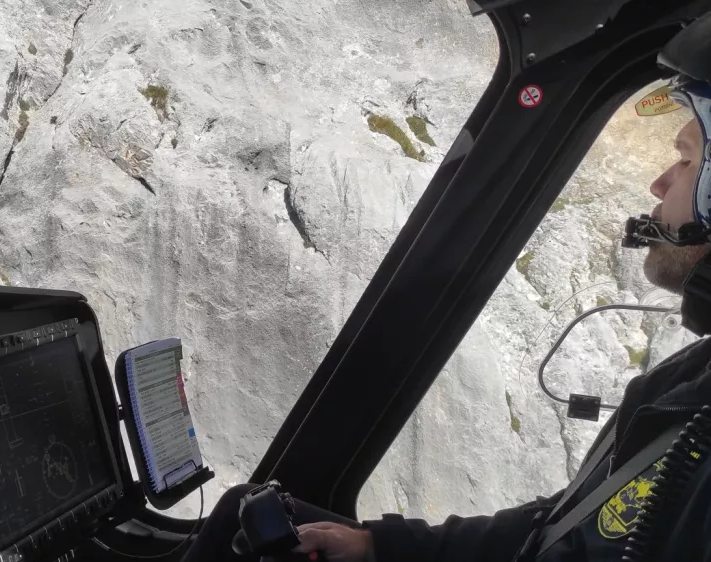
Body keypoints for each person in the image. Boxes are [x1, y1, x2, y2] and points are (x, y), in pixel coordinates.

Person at [180, 19, 711, 562]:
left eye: (688, 159)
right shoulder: (690, 377)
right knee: (243, 514)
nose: (660, 183)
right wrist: (377, 546)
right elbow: (559, 524)